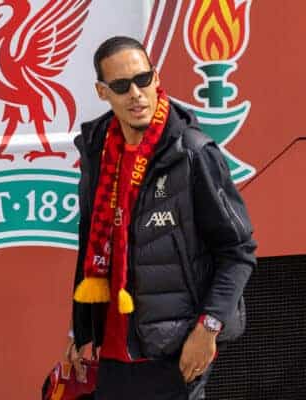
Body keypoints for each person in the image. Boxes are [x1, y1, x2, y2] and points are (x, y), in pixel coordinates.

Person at [64, 36, 257, 400]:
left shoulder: (193, 153)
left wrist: (207, 329)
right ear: (102, 92)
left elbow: (238, 251)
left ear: (156, 77)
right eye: (121, 86)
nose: (136, 94)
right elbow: (91, 241)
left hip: (173, 350)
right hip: (113, 353)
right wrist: (81, 333)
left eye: (143, 79)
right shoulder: (97, 150)